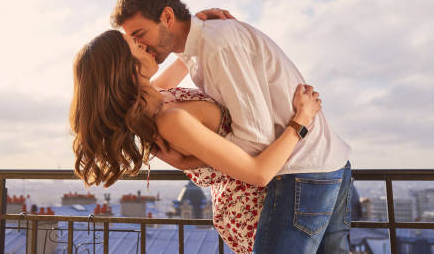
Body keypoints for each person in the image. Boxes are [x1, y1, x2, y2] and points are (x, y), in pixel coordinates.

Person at [111, 0, 352, 253]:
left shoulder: (216, 46)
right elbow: (157, 86)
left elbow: (255, 142)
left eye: (140, 34)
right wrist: (196, 24)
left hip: (300, 170)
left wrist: (194, 158)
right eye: (134, 41)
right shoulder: (198, 51)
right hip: (318, 162)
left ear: (167, 16)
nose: (141, 45)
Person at [69, 29, 322, 253]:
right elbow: (259, 173)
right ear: (125, 67)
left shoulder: (156, 94)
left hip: (270, 199)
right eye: (135, 44)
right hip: (255, 209)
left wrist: (201, 23)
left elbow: (187, 56)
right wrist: (301, 119)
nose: (143, 44)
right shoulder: (169, 120)